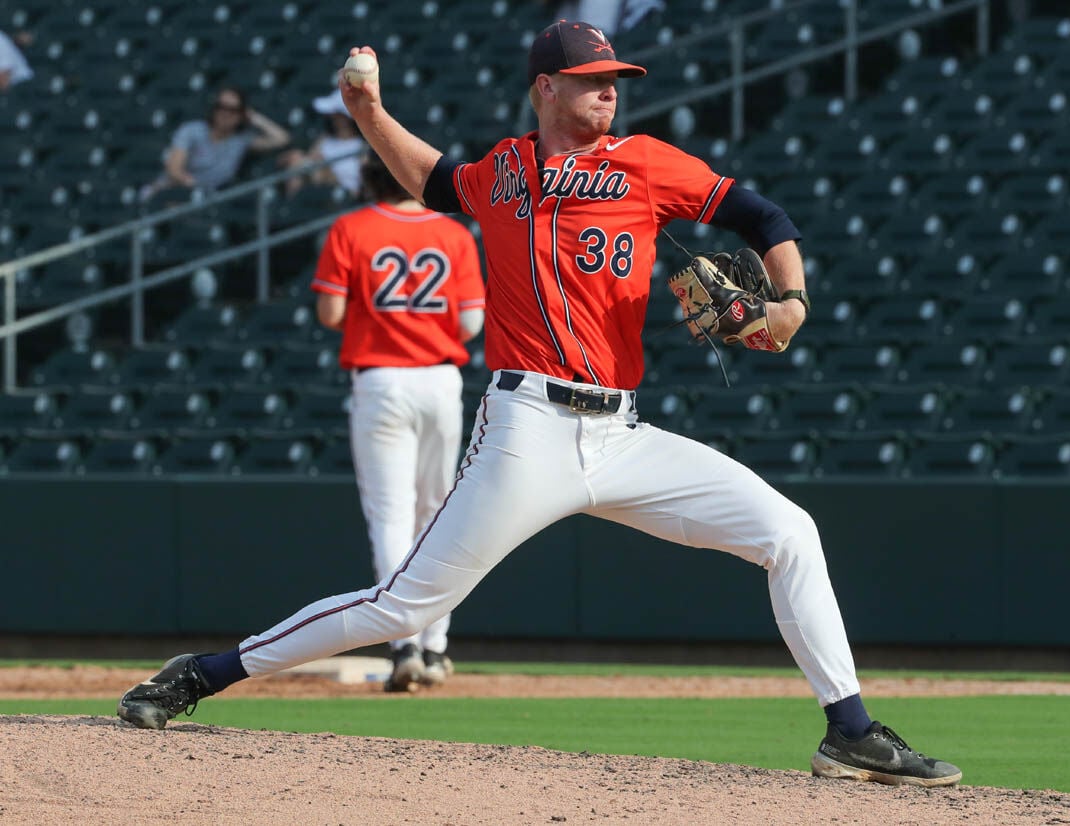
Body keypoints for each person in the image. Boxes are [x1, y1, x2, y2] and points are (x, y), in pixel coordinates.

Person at [118, 20, 962, 788]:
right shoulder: (505, 172)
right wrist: (370, 110)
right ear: (544, 89)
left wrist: (790, 303)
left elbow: (760, 213)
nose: (610, 88)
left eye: (614, 76)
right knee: (407, 605)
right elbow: (436, 179)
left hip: (623, 432)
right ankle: (202, 672)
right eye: (592, 77)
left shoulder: (645, 161)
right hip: (528, 427)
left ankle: (847, 731)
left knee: (790, 533)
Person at [311, 151, 485, 692]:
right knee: (438, 513)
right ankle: (434, 648)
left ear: (369, 176)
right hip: (438, 379)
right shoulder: (454, 233)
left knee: (391, 517)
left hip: (381, 379)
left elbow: (331, 314)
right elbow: (470, 323)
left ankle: (402, 642)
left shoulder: (351, 227)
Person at [139, 85, 291, 202]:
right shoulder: (193, 130)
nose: (225, 113)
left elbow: (282, 139)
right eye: (221, 107)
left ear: (241, 115)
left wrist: (254, 117)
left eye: (232, 110)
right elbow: (174, 169)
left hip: (206, 201)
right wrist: (193, 186)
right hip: (172, 192)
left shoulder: (241, 141)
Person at [280, 89, 367, 198]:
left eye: (335, 114)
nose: (331, 117)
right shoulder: (324, 139)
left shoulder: (362, 149)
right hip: (314, 196)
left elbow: (361, 188)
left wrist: (327, 172)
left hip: (342, 202)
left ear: (344, 119)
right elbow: (308, 166)